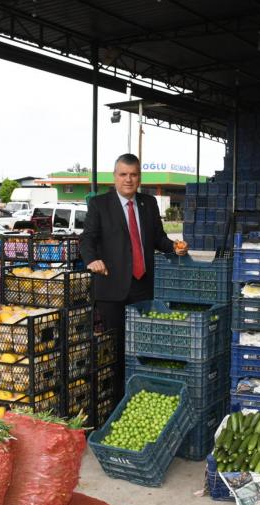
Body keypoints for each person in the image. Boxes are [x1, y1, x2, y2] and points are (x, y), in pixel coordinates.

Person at [80, 153, 187, 401]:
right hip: (112, 288)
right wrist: (91, 260)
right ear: (114, 177)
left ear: (139, 177)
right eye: (123, 174)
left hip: (142, 286)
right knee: (116, 349)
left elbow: (158, 238)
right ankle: (118, 399)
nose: (128, 179)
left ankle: (142, 393)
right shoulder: (99, 204)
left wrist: (174, 247)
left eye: (133, 174)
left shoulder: (148, 204)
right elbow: (87, 238)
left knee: (143, 344)